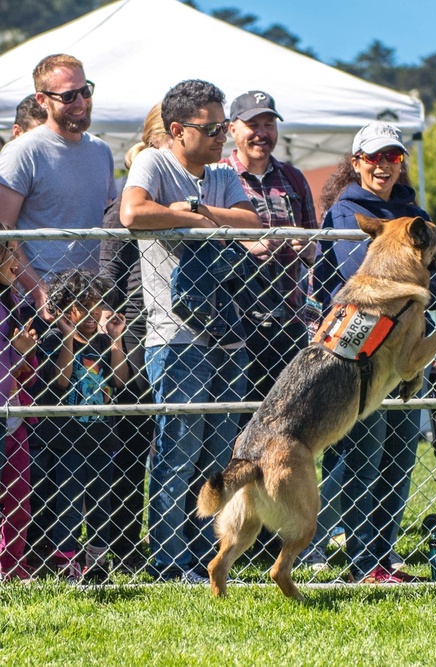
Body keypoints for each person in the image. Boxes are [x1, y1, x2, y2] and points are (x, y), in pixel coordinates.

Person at [120, 79, 261, 582]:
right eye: (212, 127)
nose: (223, 135)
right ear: (177, 131)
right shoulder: (154, 163)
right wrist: (203, 222)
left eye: (224, 126)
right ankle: (168, 558)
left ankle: (209, 555)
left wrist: (196, 216)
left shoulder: (222, 173)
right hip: (174, 335)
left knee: (220, 452)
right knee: (177, 451)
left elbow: (251, 224)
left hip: (228, 333)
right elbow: (133, 212)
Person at [306, 122, 436, 582]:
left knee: (401, 452)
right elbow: (363, 281)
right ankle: (341, 554)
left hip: (406, 348)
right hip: (358, 351)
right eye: (375, 158)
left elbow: (430, 278)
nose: (384, 166)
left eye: (394, 158)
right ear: (357, 162)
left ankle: (382, 556)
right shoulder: (348, 212)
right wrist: (417, 283)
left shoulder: (414, 213)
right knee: (362, 454)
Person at [97, 102, 171, 572]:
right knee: (128, 448)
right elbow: (109, 274)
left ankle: (175, 542)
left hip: (184, 332)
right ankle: (121, 547)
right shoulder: (125, 204)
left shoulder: (194, 197)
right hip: (136, 334)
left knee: (175, 446)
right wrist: (115, 335)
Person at [220, 90, 317, 406]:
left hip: (289, 319)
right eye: (253, 124)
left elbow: (315, 245)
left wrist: (305, 245)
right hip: (235, 321)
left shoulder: (293, 177)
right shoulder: (218, 175)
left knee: (285, 419)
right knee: (238, 419)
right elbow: (203, 243)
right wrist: (247, 246)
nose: (262, 133)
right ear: (232, 129)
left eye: (269, 124)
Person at [0, 54, 116, 317]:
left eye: (85, 91)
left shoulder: (101, 150)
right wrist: (39, 292)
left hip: (91, 304)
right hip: (37, 307)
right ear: (42, 100)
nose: (81, 102)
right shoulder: (22, 152)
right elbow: (4, 238)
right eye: (68, 96)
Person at [33, 269, 128, 581]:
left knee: (102, 503)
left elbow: (120, 380)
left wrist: (115, 340)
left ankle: (98, 563)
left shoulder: (103, 342)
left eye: (96, 306)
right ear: (63, 309)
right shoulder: (52, 341)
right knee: (70, 503)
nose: (91, 314)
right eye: (82, 307)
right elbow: (60, 381)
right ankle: (67, 561)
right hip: (68, 440)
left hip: (102, 438)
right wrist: (67, 338)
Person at [0, 240, 37, 582]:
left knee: (18, 503)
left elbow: (24, 370)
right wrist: (14, 354)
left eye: (17, 251)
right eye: (8, 252)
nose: (16, 260)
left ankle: (10, 568)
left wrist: (22, 352)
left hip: (15, 421)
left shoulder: (14, 305)